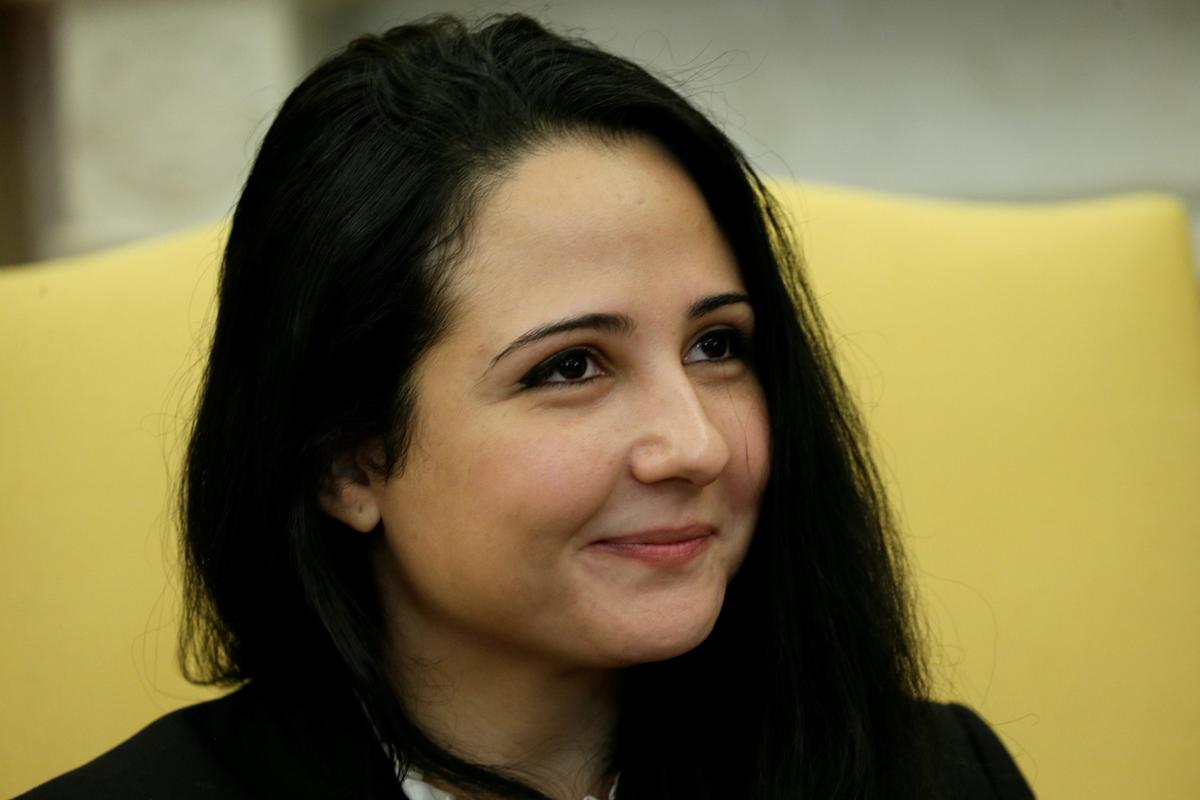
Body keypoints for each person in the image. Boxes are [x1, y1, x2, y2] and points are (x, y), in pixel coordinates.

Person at [18, 13, 1033, 800]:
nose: (695, 442)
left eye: (717, 345)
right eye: (571, 367)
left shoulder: (937, 775)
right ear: (348, 461)